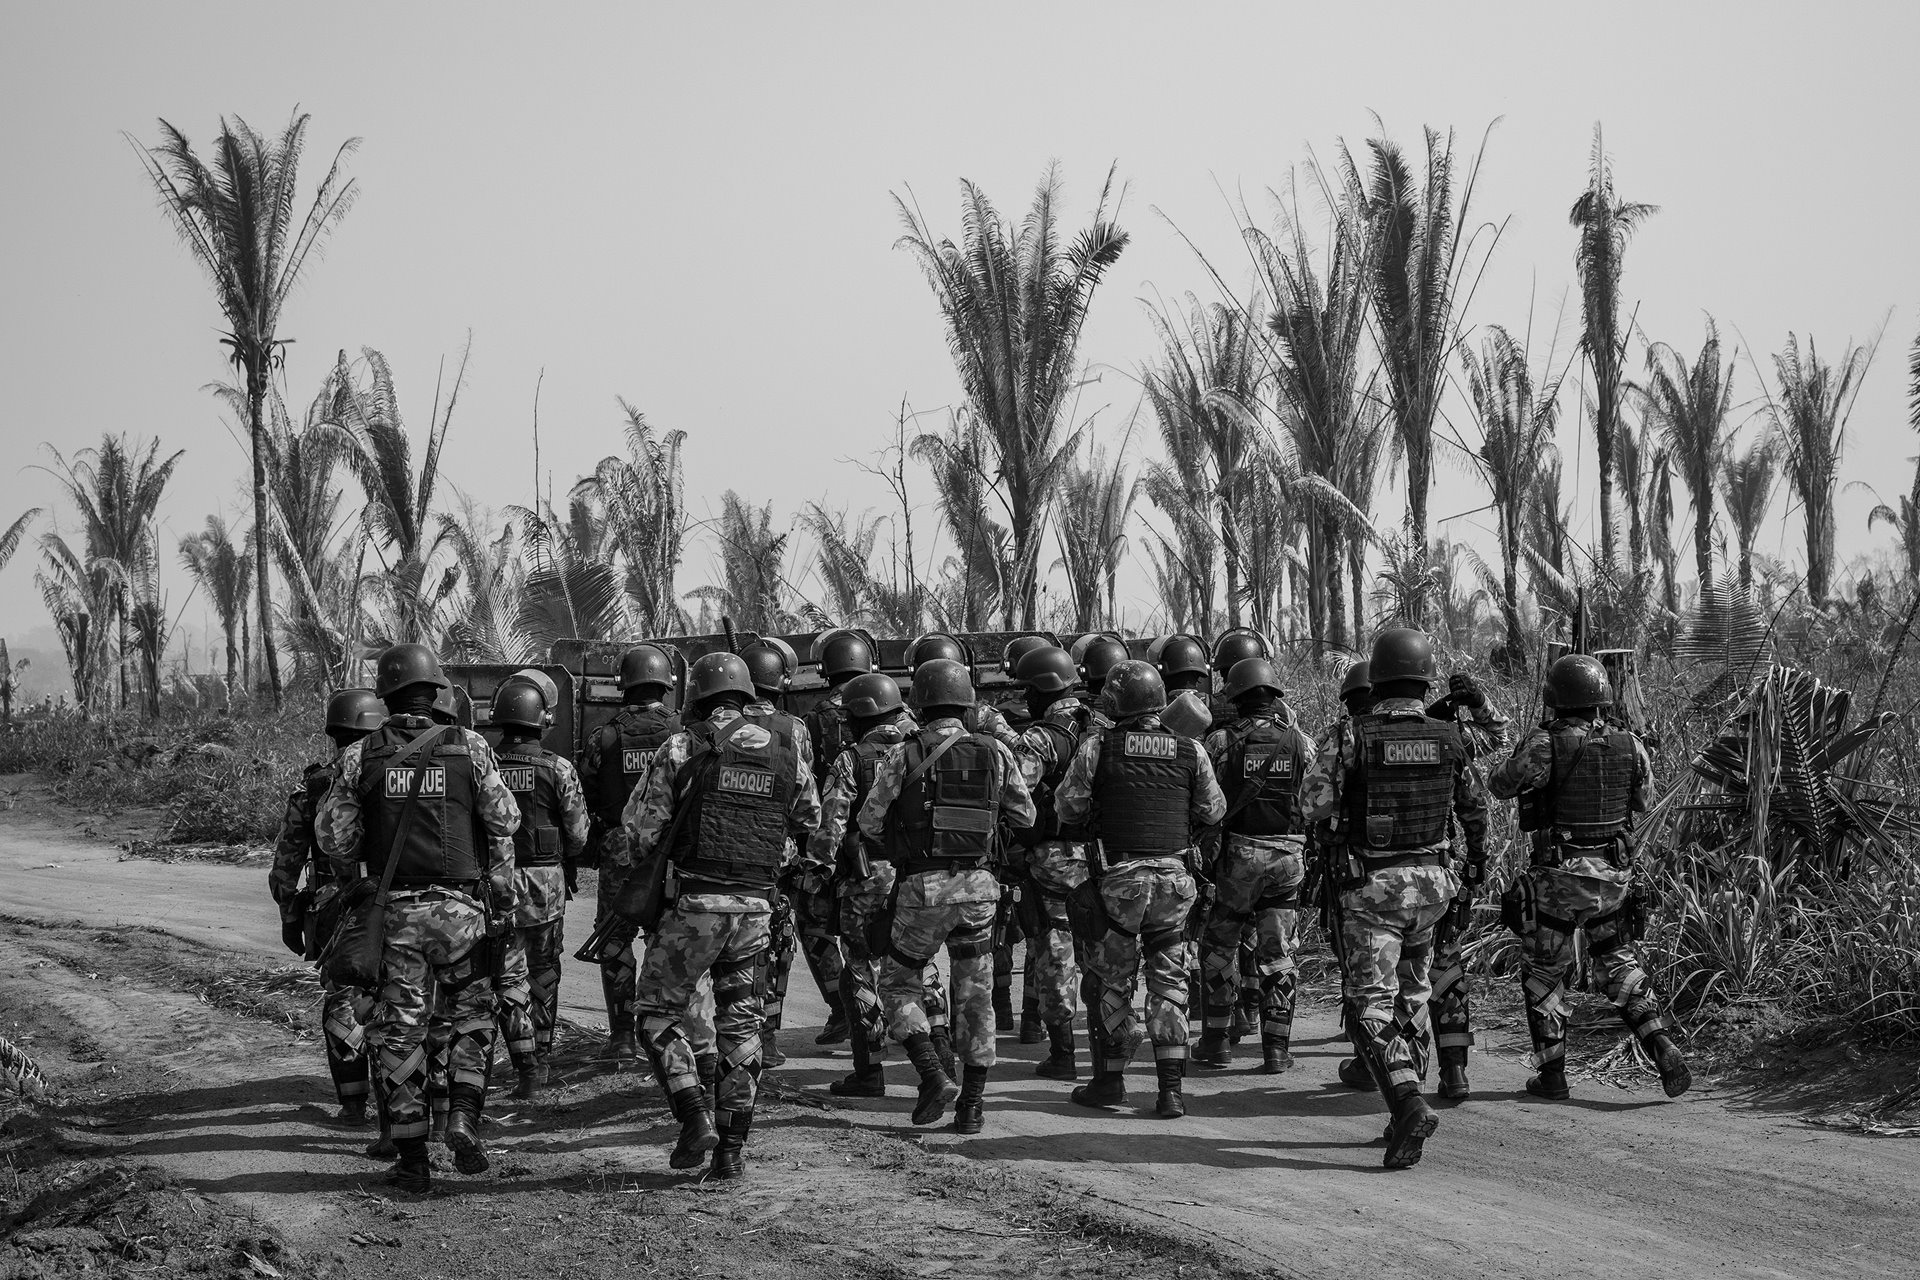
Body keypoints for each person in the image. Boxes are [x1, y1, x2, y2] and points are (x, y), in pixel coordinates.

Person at [316, 643, 521, 1193]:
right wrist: (500, 898)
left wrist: (360, 867)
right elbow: (505, 820)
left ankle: (411, 1162)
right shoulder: (471, 746)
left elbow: (333, 835)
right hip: (461, 914)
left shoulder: (361, 758)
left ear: (385, 695)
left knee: (400, 1034)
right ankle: (463, 1118)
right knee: (473, 1018)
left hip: (398, 917)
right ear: (436, 692)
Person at [621, 651, 821, 1180]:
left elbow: (640, 831)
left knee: (657, 1014)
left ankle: (693, 1115)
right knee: (741, 1025)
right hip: (756, 907)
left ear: (699, 698)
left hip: (695, 907)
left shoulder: (683, 745)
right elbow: (810, 818)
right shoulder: (786, 749)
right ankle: (730, 1155)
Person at [1299, 627, 1488, 1170]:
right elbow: (1476, 809)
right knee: (1412, 992)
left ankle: (1406, 1102)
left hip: (1373, 889)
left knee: (1368, 1003)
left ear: (1377, 678)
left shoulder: (1351, 735)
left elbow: (1313, 805)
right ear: (1424, 676)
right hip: (1433, 887)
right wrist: (1474, 864)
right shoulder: (1452, 736)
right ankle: (1402, 1107)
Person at [1486, 653, 1691, 1102]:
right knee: (1618, 963)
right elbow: (1643, 801)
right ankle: (1660, 1044)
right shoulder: (1630, 744)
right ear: (1601, 699)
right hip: (1612, 879)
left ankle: (1553, 1076)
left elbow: (1498, 784)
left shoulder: (1544, 743)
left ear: (1555, 699)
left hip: (1559, 879)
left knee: (1544, 973)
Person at [857, 658, 1036, 1134]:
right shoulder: (997, 751)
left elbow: (869, 821)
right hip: (979, 889)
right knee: (976, 996)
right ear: (967, 702)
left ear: (919, 703)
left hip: (922, 889)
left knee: (898, 984)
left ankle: (933, 1074)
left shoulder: (904, 753)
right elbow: (1026, 816)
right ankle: (972, 1108)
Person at [1057, 660, 1226, 1119]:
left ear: (1116, 703)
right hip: (1174, 882)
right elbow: (1213, 811)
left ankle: (1110, 1082)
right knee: (1169, 981)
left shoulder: (1099, 745)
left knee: (1110, 980)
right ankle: (1170, 1091)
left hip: (1120, 882)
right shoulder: (1191, 748)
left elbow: (1069, 807)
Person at [809, 671, 954, 1096]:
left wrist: (815, 871)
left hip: (866, 878)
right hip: (917, 876)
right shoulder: (923, 748)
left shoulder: (852, 758)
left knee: (860, 968)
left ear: (859, 716)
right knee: (921, 964)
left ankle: (870, 1072)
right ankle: (944, 1062)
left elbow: (830, 826)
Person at [268, 687, 383, 1125]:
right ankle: (406, 1108)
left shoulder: (315, 784)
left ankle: (353, 1104)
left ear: (334, 732)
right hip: (398, 901)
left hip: (336, 905)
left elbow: (285, 864)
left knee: (344, 999)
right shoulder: (402, 769)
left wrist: (288, 913)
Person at [1196, 657, 1317, 1074]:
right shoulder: (1301, 742)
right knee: (1278, 954)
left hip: (1239, 857)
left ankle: (1215, 1041)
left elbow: (1205, 804)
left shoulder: (1222, 741)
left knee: (1220, 946)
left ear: (1237, 697)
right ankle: (1277, 1050)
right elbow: (1315, 802)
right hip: (1289, 857)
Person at [741, 637, 843, 1062]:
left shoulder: (703, 727)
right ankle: (764, 1038)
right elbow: (808, 806)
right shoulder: (793, 728)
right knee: (776, 944)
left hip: (712, 854)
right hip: (774, 856)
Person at [578, 644, 679, 1059]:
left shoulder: (603, 736)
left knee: (615, 940)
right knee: (670, 936)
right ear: (665, 684)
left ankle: (621, 1036)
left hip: (620, 848)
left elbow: (586, 795)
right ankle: (670, 1032)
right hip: (670, 851)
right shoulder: (680, 731)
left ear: (624, 685)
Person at [489, 681, 589, 1097]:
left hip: (496, 883)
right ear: (542, 720)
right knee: (544, 971)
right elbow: (579, 834)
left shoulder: (485, 763)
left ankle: (522, 1062)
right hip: (545, 884)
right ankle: (542, 1061)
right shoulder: (558, 767)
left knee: (505, 976)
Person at [1008, 644, 1095, 1080]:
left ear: (1043, 689)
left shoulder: (1041, 737)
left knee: (1055, 951)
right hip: (1103, 858)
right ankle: (1109, 1049)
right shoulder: (1102, 725)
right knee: (1102, 951)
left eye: (1028, 690)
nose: (1026, 699)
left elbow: (1015, 794)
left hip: (1055, 857)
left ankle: (1063, 1054)